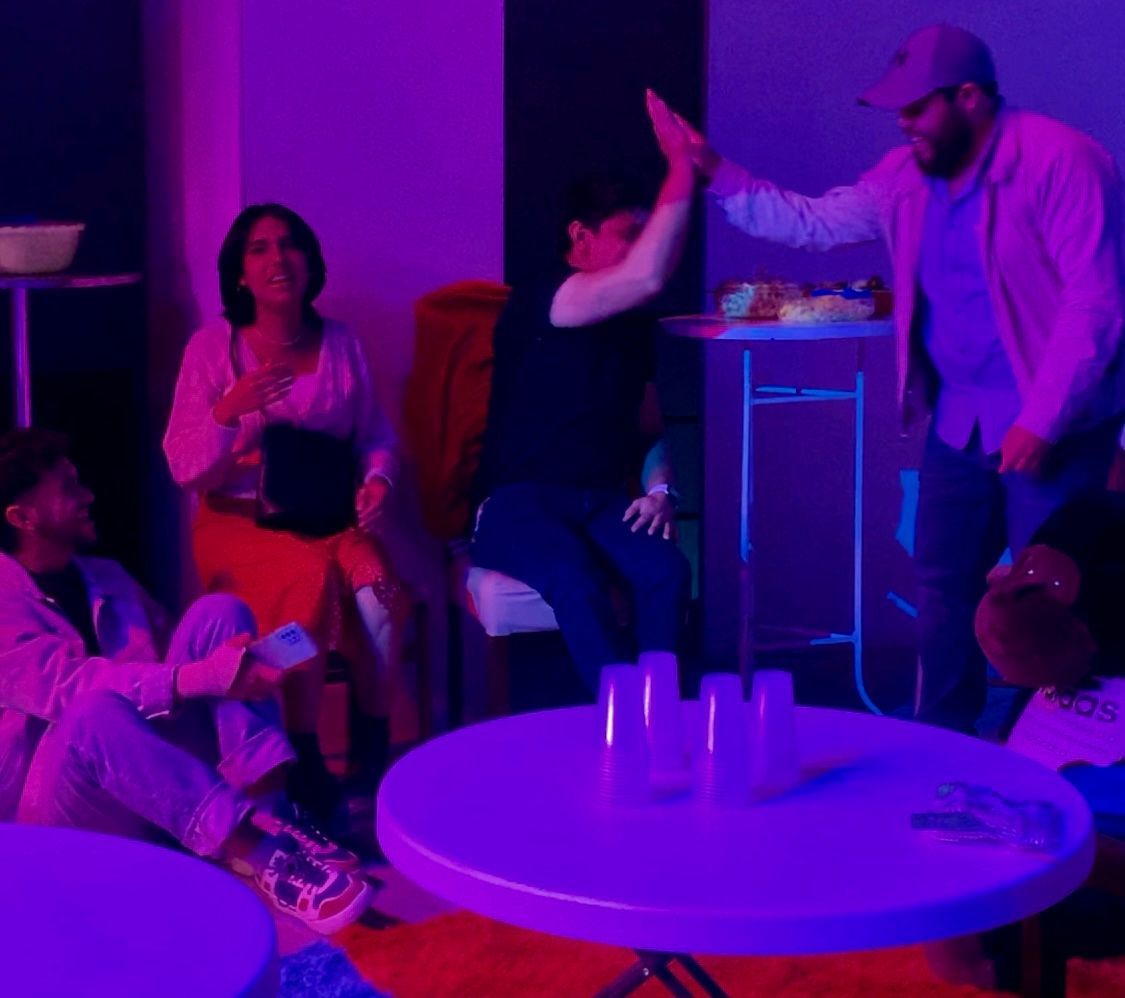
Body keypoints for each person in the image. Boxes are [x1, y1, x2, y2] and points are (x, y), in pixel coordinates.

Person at [656, 24, 1125, 732]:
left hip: (1050, 425)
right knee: (943, 586)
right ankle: (944, 741)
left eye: (916, 107)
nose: (903, 123)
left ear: (969, 98)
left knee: (1050, 609)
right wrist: (712, 169)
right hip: (960, 422)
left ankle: (1056, 752)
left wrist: (1043, 419)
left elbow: (1096, 303)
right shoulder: (906, 178)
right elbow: (814, 223)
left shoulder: (1063, 161)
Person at [0, 429, 373, 933]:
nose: (88, 495)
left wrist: (241, 664)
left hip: (143, 785)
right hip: (58, 819)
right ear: (23, 518)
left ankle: (273, 814)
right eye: (68, 488)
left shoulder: (106, 576)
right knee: (93, 710)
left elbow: (172, 674)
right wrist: (208, 675)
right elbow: (71, 687)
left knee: (218, 614)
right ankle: (262, 855)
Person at [164, 204, 409, 820]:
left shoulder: (342, 343)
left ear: (310, 262)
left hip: (327, 516)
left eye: (290, 244)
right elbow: (183, 465)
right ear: (240, 273)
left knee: (380, 594)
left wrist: (377, 482)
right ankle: (301, 752)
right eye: (259, 248)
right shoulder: (212, 348)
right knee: (307, 581)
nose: (278, 258)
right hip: (238, 521)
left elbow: (375, 435)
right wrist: (229, 410)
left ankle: (372, 747)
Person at [470, 91, 693, 696]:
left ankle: (660, 710)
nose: (642, 247)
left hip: (600, 500)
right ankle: (621, 723)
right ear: (580, 235)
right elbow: (648, 275)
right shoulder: (546, 296)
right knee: (573, 576)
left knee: (667, 571)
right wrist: (681, 165)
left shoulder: (631, 326)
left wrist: (661, 490)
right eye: (629, 234)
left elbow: (649, 427)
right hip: (519, 501)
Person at [927, 490, 1125, 989]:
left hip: (1092, 854)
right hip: (1046, 824)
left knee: (1020, 883)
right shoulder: (1058, 685)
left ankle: (1001, 962)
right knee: (936, 825)